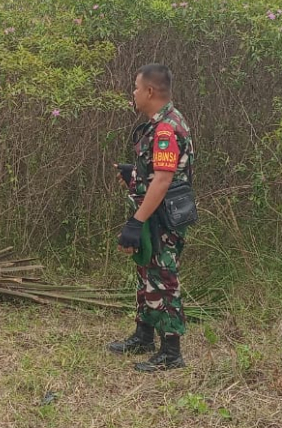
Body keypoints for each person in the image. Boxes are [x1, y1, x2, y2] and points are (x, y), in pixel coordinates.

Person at [109, 63, 195, 372]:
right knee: (147, 274)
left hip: (161, 218)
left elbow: (162, 181)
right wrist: (134, 174)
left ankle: (171, 353)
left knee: (163, 278)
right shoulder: (159, 124)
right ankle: (143, 336)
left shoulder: (165, 128)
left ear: (149, 91)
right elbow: (159, 172)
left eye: (135, 87)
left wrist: (136, 222)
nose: (132, 93)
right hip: (154, 213)